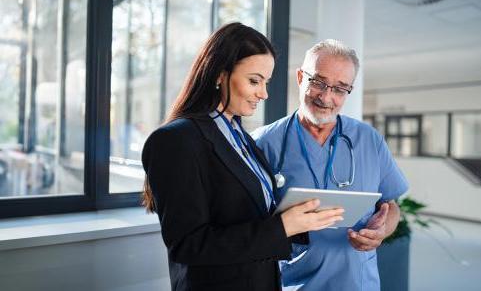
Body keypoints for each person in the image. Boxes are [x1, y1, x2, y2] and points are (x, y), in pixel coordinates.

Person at [141, 23, 344, 291]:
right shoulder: (176, 140)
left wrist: (297, 218)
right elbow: (188, 246)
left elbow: (246, 215)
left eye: (266, 82)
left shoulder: (241, 137)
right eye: (254, 81)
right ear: (219, 75)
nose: (264, 93)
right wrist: (281, 227)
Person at [252, 39, 409, 291]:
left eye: (339, 88)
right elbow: (248, 225)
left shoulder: (369, 140)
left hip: (359, 284)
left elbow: (390, 206)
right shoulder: (265, 143)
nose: (326, 97)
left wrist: (382, 230)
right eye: (318, 82)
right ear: (301, 77)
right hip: (293, 283)